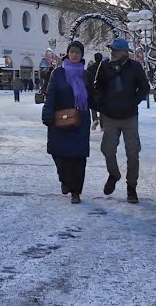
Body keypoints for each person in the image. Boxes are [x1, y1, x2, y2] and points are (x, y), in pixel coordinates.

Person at [89, 38, 150, 203]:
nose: (112, 52)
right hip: (109, 116)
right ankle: (114, 174)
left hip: (129, 117)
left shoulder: (134, 67)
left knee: (132, 153)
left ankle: (132, 187)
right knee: (108, 150)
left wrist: (133, 101)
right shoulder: (105, 65)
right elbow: (96, 86)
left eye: (116, 50)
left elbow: (145, 87)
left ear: (125, 52)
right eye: (111, 49)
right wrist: (101, 104)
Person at [42, 41, 93, 204]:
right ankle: (64, 179)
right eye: (72, 52)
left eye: (78, 52)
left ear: (81, 55)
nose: (75, 55)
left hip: (80, 119)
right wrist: (47, 113)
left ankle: (76, 191)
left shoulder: (86, 75)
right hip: (60, 120)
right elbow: (50, 95)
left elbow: (93, 96)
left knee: (78, 158)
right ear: (68, 53)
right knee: (59, 154)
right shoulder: (58, 73)